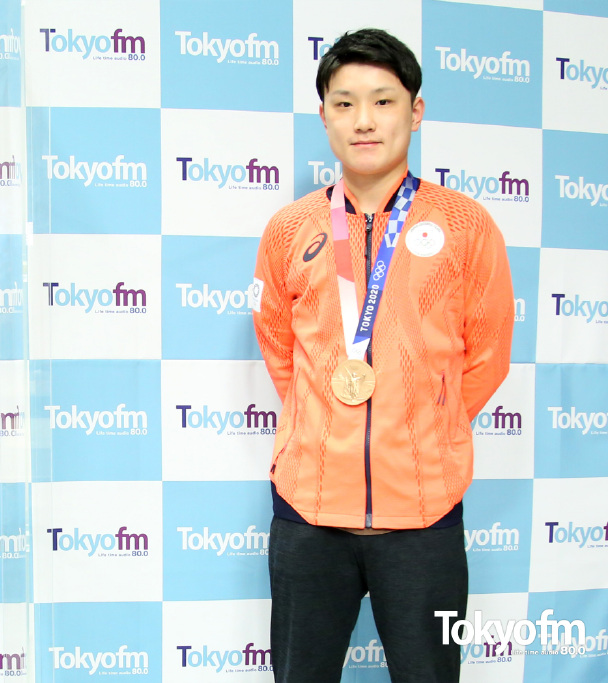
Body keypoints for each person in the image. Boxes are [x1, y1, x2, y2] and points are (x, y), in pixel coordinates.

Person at [252, 29, 514, 682]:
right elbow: (279, 347)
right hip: (308, 513)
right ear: (324, 116)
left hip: (423, 515)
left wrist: (426, 424)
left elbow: (488, 354)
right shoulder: (289, 228)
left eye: (382, 101)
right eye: (344, 103)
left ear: (415, 111)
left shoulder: (466, 225)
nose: (363, 121)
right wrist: (327, 420)